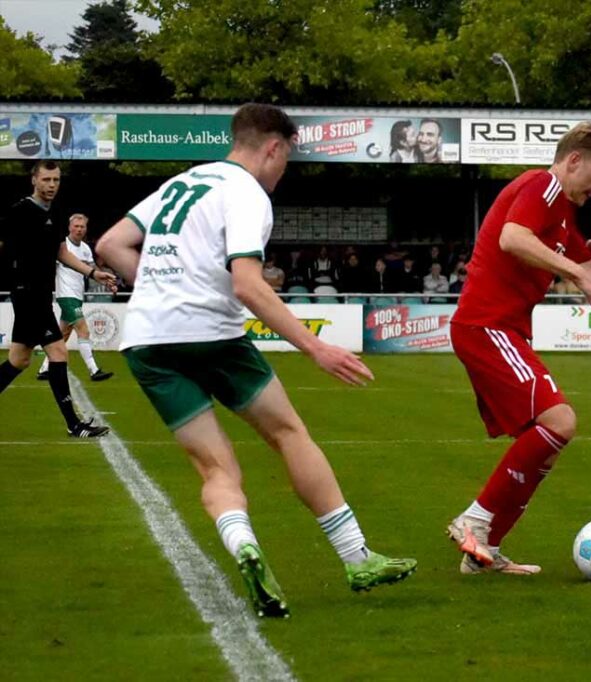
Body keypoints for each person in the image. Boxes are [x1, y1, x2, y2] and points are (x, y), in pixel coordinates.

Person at [96, 103, 416, 618]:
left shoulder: (183, 182)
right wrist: (315, 347)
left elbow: (111, 244)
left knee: (215, 468)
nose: (282, 171)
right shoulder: (247, 192)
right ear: (272, 147)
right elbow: (247, 284)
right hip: (211, 335)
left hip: (148, 340)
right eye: (285, 159)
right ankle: (357, 556)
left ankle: (243, 543)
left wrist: (162, 289)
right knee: (288, 433)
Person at [446, 121, 591, 576]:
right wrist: (577, 274)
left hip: (502, 331)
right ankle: (474, 521)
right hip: (487, 326)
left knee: (548, 441)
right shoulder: (543, 185)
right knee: (561, 421)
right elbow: (512, 238)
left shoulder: (560, 217)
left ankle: (484, 550)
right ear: (573, 161)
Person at [0, 161, 116, 438]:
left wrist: (92, 272)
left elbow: (61, 252)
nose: (52, 185)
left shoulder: (56, 212)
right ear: (34, 180)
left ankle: (74, 424)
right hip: (27, 294)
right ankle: (73, 424)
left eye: (56, 180)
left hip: (40, 293)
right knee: (58, 351)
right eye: (47, 179)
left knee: (19, 359)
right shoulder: (20, 212)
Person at [37, 213, 114, 382]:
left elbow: (93, 270)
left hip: (77, 295)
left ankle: (44, 369)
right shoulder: (62, 247)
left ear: (86, 229)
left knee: (62, 335)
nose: (79, 229)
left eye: (82, 227)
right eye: (76, 226)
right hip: (66, 295)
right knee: (83, 330)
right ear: (69, 227)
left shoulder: (85, 249)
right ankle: (94, 370)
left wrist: (108, 282)